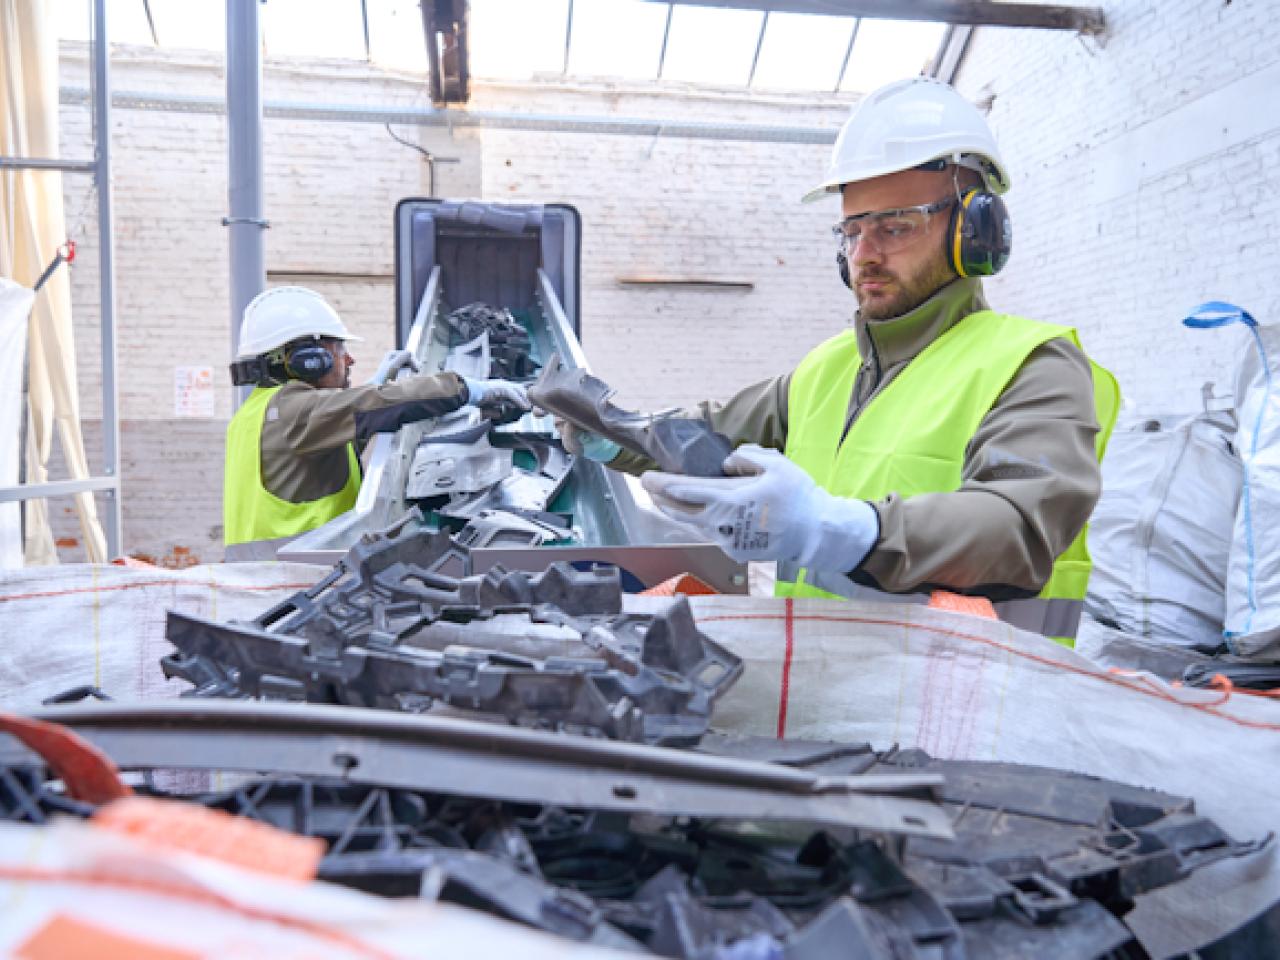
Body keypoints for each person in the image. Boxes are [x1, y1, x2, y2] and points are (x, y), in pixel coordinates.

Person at [565, 78, 1119, 644]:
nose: (863, 255)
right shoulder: (827, 369)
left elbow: (1015, 529)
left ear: (973, 230)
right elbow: (706, 436)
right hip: (819, 700)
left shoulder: (1035, 366)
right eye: (852, 230)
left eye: (894, 227)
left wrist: (838, 529)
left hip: (968, 712)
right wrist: (611, 433)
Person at [223, 285, 529, 559]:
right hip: (300, 578)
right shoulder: (292, 411)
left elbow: (325, 458)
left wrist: (378, 381)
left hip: (263, 580)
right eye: (340, 349)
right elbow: (368, 406)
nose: (350, 360)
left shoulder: (254, 414)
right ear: (310, 359)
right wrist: (470, 389)